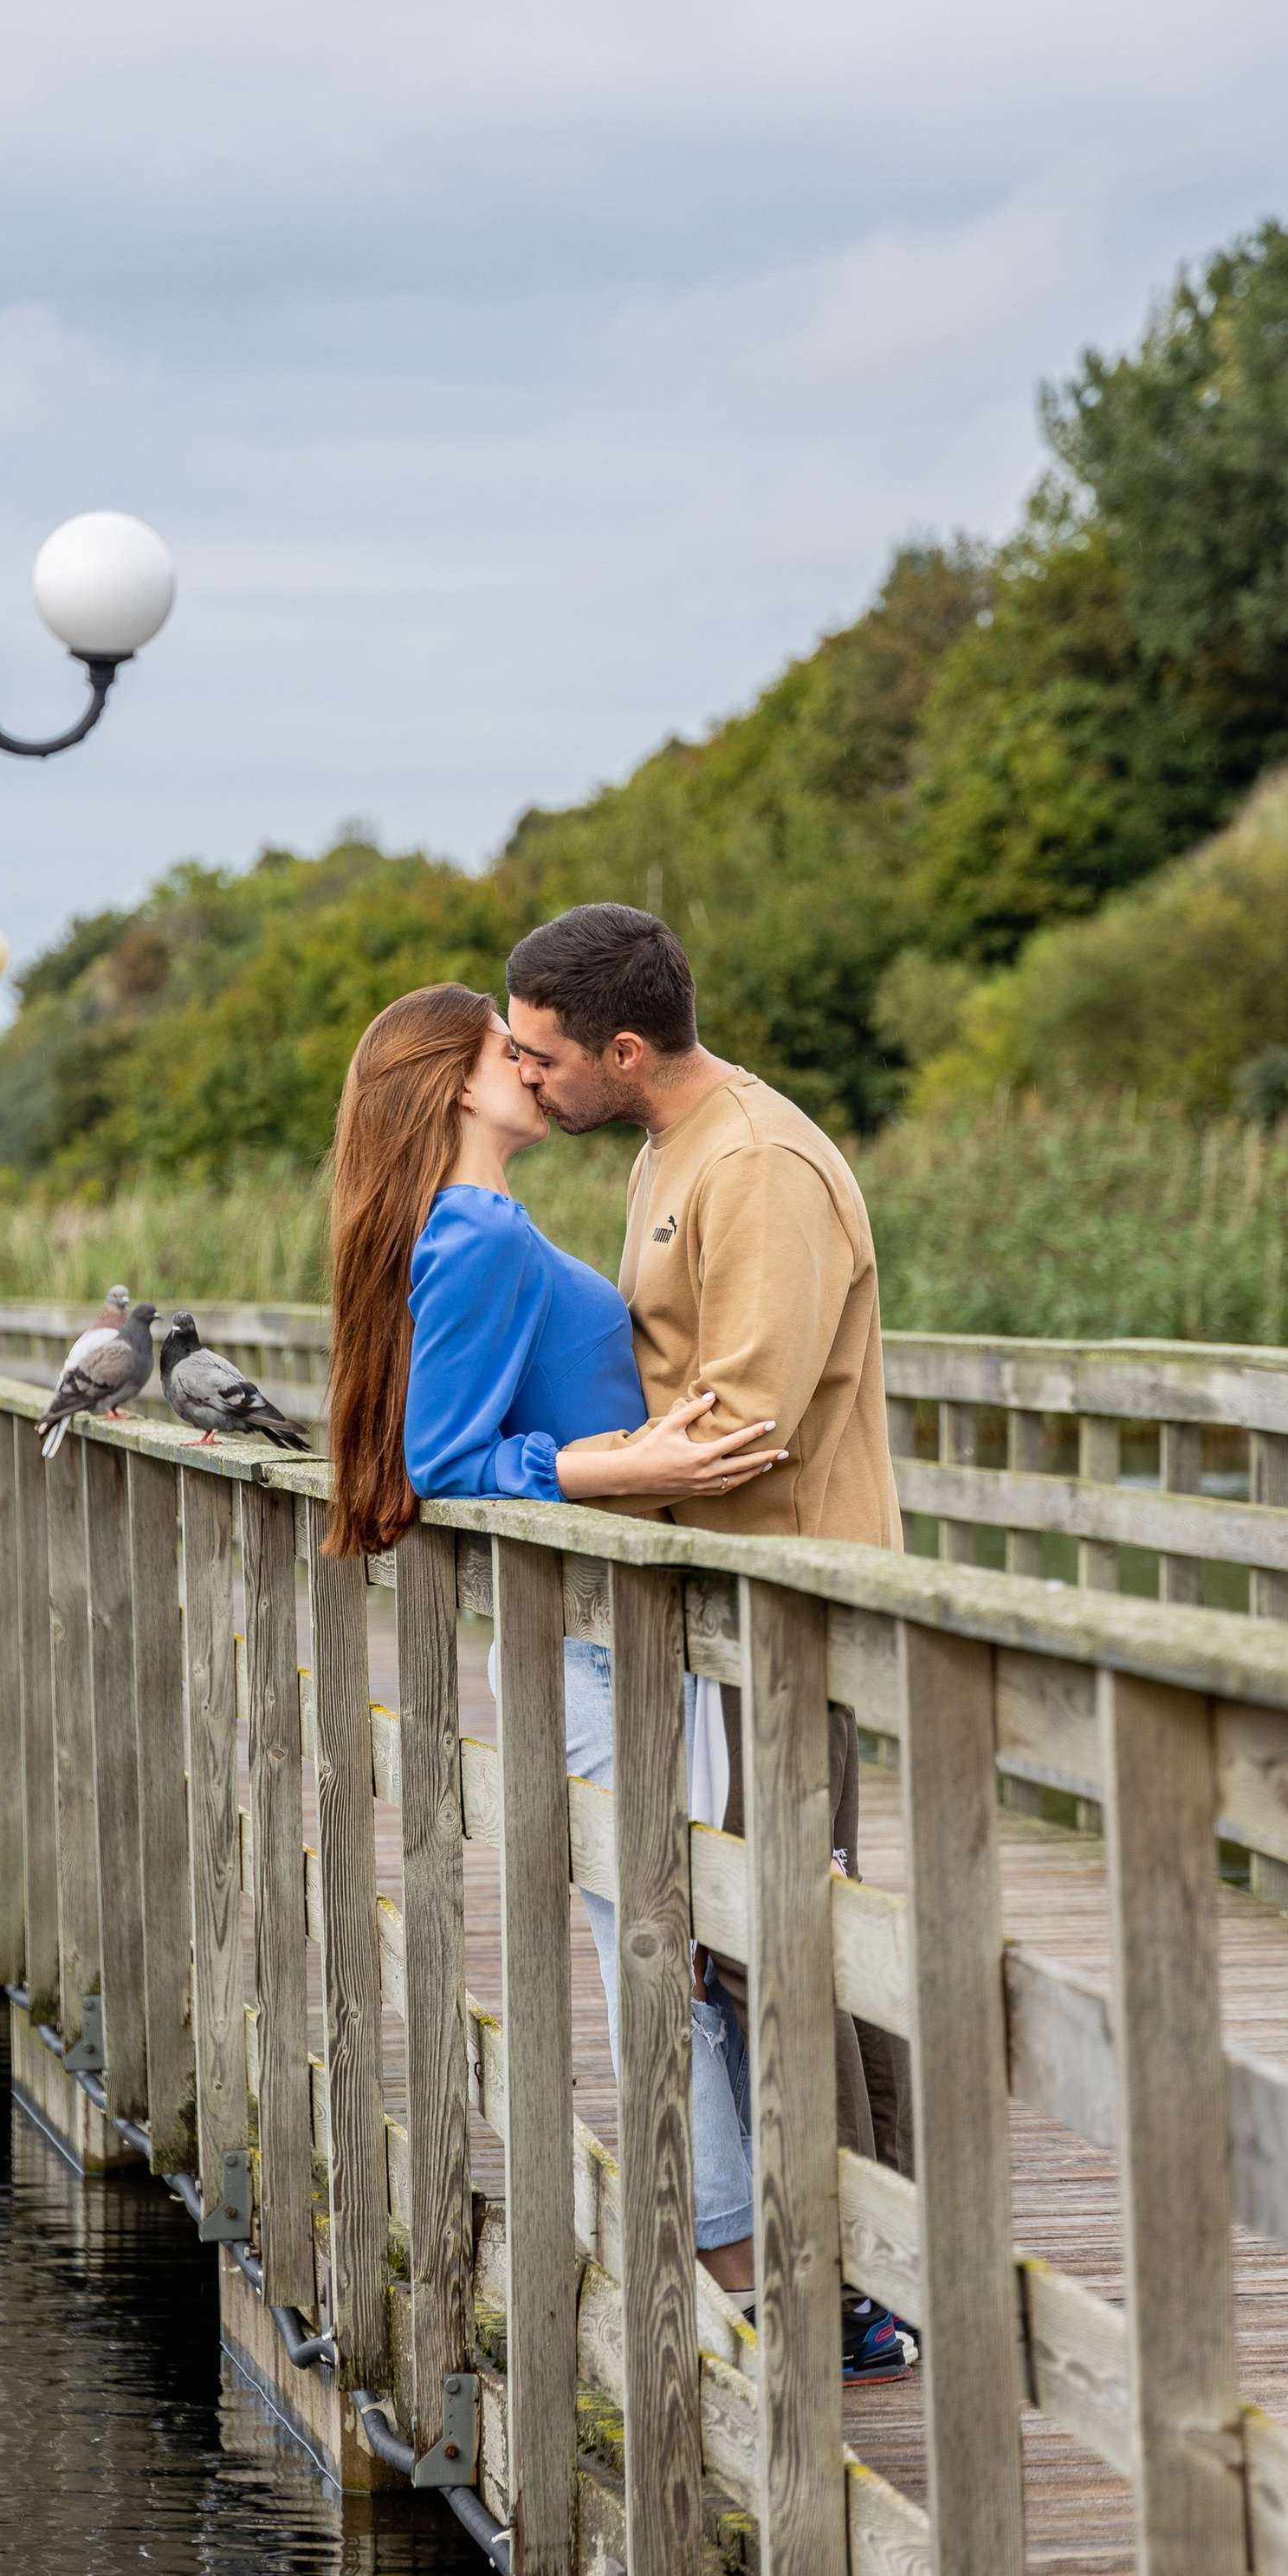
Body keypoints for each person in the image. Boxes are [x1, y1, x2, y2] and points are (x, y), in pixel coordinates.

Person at [325, 983, 786, 2286]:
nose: (533, 1065)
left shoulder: (481, 1224)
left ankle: (727, 2262)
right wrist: (622, 1470)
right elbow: (441, 1463)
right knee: (662, 1954)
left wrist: (619, 1449)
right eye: (505, 1051)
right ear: (455, 1087)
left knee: (666, 1941)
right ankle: (729, 2276)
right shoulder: (472, 1231)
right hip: (599, 1649)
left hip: (599, 1639)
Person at [503, 903, 916, 2247]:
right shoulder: (670, 1149)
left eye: (544, 1056)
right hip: (717, 1607)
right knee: (763, 1926)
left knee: (778, 1929)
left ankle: (858, 2269)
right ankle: (856, 2257)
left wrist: (560, 1470)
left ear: (624, 1049)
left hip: (782, 1602)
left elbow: (745, 1423)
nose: (528, 1078)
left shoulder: (757, 1165)